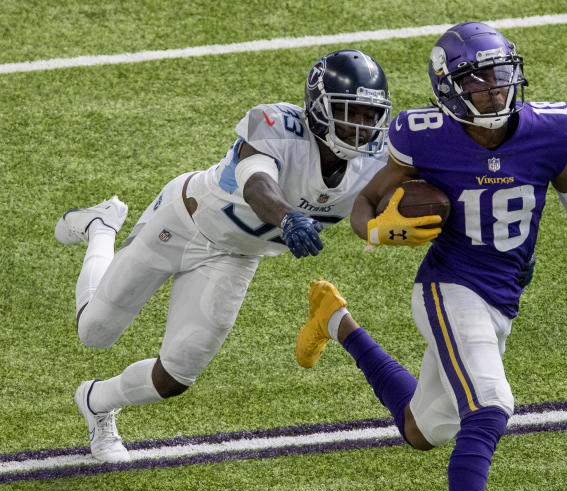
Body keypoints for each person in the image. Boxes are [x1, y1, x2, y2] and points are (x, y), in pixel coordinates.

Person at [295, 22, 567, 491]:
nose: (493, 88)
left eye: (500, 73)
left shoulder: (553, 129)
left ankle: (334, 320)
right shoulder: (423, 135)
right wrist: (377, 232)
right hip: (448, 287)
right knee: (491, 406)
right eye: (476, 80)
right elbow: (365, 202)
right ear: (449, 89)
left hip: (502, 297)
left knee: (423, 430)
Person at [56, 49, 392, 463]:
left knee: (177, 375)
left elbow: (386, 206)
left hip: (234, 255)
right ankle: (100, 229)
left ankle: (96, 402)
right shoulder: (277, 125)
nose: (360, 127)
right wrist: (288, 219)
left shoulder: (376, 163)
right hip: (180, 222)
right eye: (349, 112)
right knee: (95, 332)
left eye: (368, 115)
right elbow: (256, 185)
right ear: (318, 107)